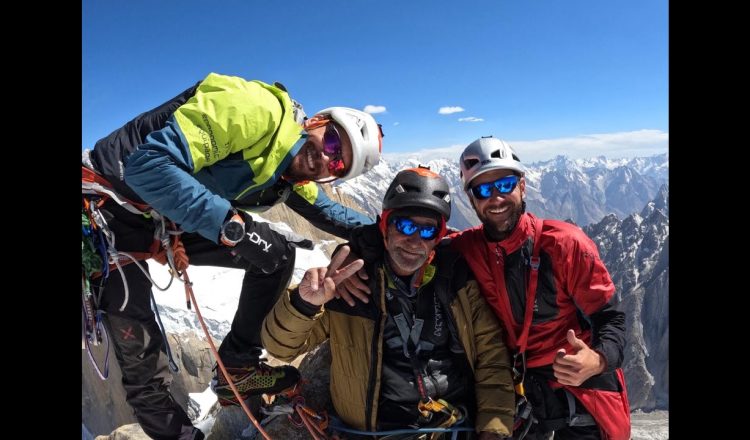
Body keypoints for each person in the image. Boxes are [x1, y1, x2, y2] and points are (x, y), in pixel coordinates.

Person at [81, 72, 383, 440]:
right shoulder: (256, 110)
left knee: (277, 254)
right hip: (108, 214)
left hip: (156, 219)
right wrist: (233, 227)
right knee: (144, 363)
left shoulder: (286, 175)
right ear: (317, 121)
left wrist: (402, 231)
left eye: (339, 165)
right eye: (333, 142)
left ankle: (236, 368)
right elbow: (147, 167)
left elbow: (333, 216)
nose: (326, 158)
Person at [340, 137, 631, 440]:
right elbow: (413, 239)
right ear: (472, 200)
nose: (495, 198)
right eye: (482, 190)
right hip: (525, 395)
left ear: (522, 186)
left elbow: (612, 319)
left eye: (504, 185)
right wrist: (357, 247)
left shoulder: (565, 245)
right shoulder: (467, 248)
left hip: (580, 391)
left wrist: (597, 359)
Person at [261, 167, 515, 439]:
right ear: (385, 226)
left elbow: (492, 359)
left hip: (451, 425)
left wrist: (493, 429)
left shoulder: (457, 282)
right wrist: (304, 305)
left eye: (428, 231)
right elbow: (279, 346)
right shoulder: (350, 282)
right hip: (377, 431)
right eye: (405, 225)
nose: (415, 240)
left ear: (439, 237)